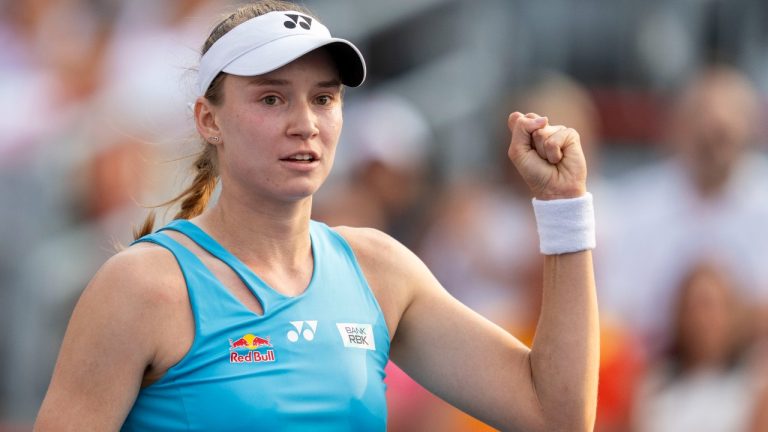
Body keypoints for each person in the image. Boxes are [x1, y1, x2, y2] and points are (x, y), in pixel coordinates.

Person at [34, 1, 599, 430]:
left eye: (323, 98)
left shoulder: (379, 269)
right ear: (209, 120)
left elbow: (556, 415)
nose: (305, 123)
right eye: (272, 98)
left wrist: (564, 207)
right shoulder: (141, 288)